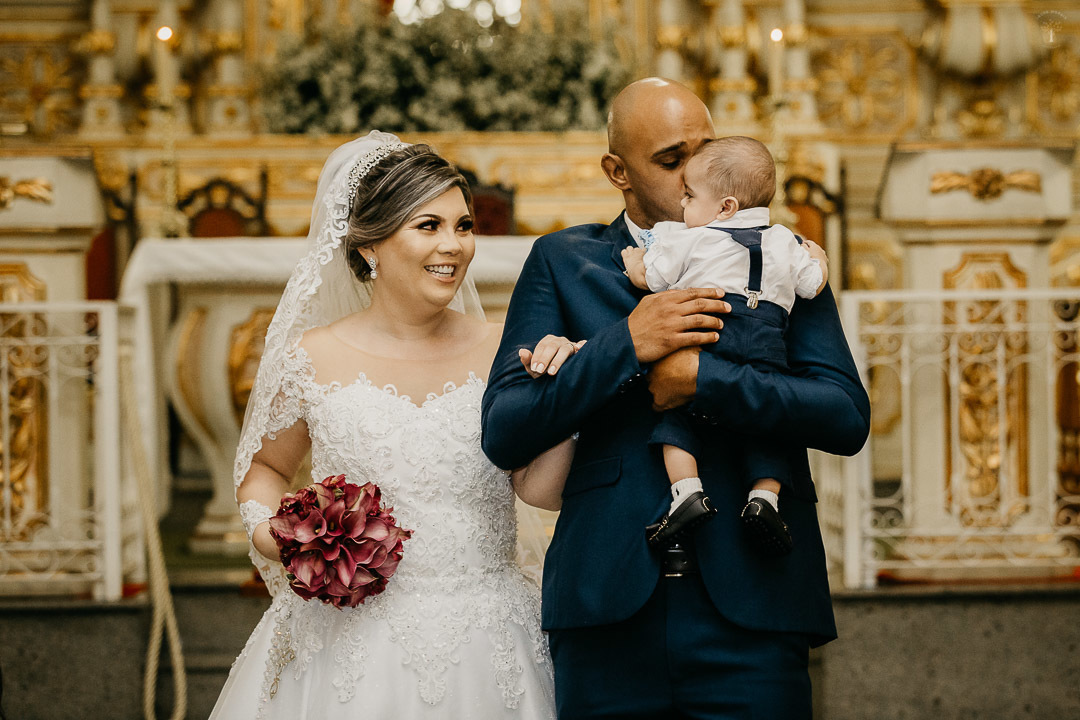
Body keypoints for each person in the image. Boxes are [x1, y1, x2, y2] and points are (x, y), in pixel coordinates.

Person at [483, 78, 870, 719]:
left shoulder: (781, 255)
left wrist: (704, 378)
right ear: (618, 171)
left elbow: (844, 414)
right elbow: (505, 428)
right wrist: (626, 344)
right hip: (606, 608)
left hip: (754, 606)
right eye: (670, 160)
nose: (697, 171)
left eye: (706, 149)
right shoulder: (563, 260)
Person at [211, 132, 557, 719]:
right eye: (429, 226)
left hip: (489, 630)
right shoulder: (309, 356)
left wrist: (566, 402)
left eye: (464, 225)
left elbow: (538, 488)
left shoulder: (506, 348)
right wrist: (276, 535)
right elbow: (265, 468)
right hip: (342, 641)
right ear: (369, 243)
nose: (454, 245)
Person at [620, 135, 829, 553]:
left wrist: (634, 265)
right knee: (769, 430)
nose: (683, 205)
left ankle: (687, 492)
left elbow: (655, 280)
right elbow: (811, 286)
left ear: (725, 208)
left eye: (690, 195)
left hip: (715, 330)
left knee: (677, 420)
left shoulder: (690, 237)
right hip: (770, 340)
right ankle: (764, 499)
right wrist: (819, 258)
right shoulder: (785, 240)